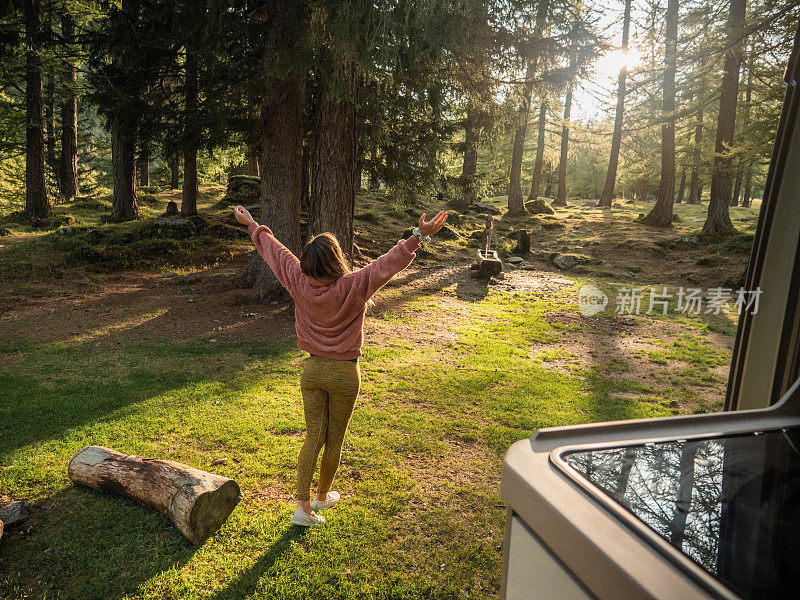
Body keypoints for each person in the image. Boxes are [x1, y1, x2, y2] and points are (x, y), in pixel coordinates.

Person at [234, 205, 447, 526]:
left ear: (306, 263)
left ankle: (305, 506)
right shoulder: (353, 285)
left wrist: (252, 225)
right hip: (346, 374)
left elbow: (275, 253)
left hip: (313, 372)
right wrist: (418, 235)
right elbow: (387, 264)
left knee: (312, 437)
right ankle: (317, 500)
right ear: (337, 260)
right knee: (333, 441)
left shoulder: (297, 281)